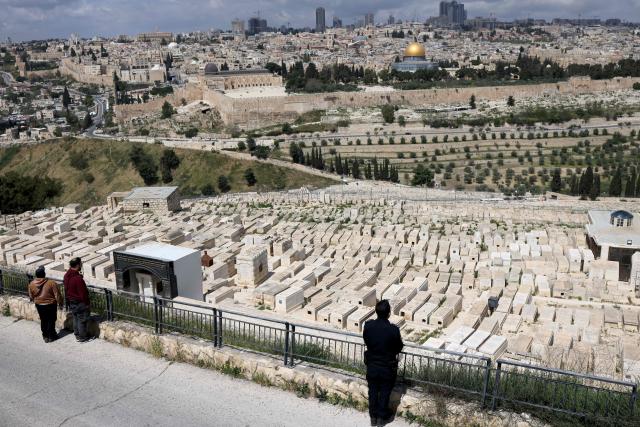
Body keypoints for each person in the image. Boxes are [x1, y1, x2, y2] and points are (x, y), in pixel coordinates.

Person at [363, 300, 404, 427]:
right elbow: (399, 347)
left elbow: (366, 340)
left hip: (372, 365)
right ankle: (381, 418)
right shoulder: (393, 330)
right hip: (387, 366)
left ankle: (373, 417)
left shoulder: (368, 326)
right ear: (389, 313)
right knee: (385, 391)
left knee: (373, 390)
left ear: (376, 311)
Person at [28, 266, 63, 343]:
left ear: (36, 275)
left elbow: (31, 296)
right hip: (51, 304)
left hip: (39, 304)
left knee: (43, 320)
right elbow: (57, 295)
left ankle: (45, 336)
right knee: (51, 320)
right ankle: (52, 335)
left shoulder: (31, 284)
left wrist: (37, 300)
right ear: (44, 274)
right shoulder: (51, 283)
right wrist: (60, 303)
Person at [63, 257, 91, 342]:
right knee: (82, 319)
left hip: (71, 301)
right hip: (79, 302)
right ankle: (82, 336)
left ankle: (77, 334)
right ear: (78, 265)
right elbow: (83, 293)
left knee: (75, 317)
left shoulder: (67, 275)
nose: (81, 265)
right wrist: (87, 303)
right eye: (81, 263)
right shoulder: (77, 279)